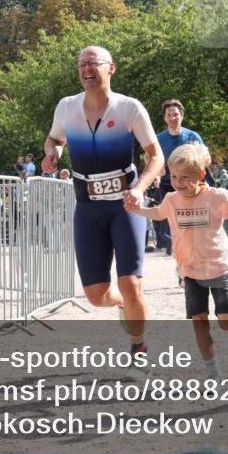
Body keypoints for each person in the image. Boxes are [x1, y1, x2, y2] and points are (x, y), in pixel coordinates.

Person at [41, 45, 164, 380]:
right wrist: (51, 153)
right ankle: (120, 304)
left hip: (126, 205)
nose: (86, 69)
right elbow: (53, 140)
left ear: (112, 68)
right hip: (87, 206)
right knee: (96, 296)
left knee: (131, 282)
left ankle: (138, 348)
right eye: (81, 64)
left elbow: (156, 156)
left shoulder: (129, 108)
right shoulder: (67, 107)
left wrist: (140, 189)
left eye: (93, 63)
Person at [128, 144, 228, 378]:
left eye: (184, 177)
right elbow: (158, 213)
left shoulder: (216, 197)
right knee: (199, 321)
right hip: (189, 271)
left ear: (200, 175)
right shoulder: (171, 199)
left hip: (217, 269)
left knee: (226, 323)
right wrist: (138, 210)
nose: (178, 182)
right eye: (174, 176)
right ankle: (213, 372)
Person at [156, 99, 208, 258]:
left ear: (182, 116)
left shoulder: (192, 136)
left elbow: (206, 159)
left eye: (176, 114)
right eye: (169, 115)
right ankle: (182, 264)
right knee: (174, 228)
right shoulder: (158, 139)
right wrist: (158, 173)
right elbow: (150, 159)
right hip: (168, 186)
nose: (173, 117)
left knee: (194, 227)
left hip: (192, 187)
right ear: (165, 118)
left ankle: (197, 259)